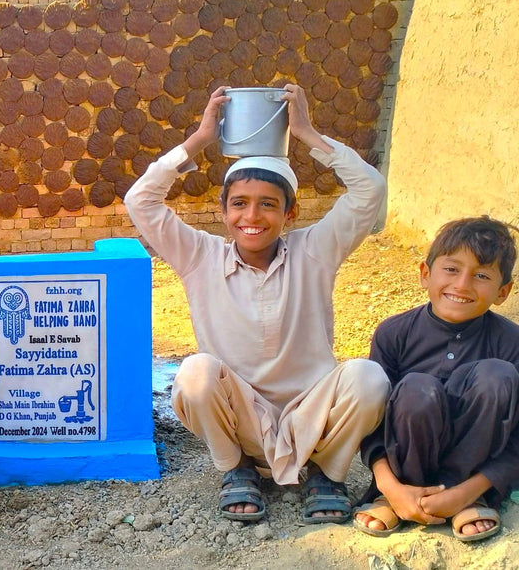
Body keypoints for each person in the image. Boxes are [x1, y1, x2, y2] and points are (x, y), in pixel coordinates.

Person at [124, 84, 389, 524]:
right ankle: (236, 469)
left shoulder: (315, 251)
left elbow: (370, 190)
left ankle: (327, 473)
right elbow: (141, 201)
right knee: (195, 373)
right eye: (239, 204)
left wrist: (306, 134)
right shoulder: (199, 256)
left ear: (290, 213)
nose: (252, 217)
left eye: (268, 205)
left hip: (314, 414)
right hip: (241, 418)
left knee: (370, 378)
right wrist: (201, 139)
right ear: (223, 211)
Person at [355, 216, 519, 542]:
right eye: (451, 269)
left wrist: (466, 491)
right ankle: (396, 498)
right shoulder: (394, 333)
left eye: (482, 275)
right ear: (424, 274)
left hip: (474, 476)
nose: (462, 284)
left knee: (497, 375)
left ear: (503, 291)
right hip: (401, 476)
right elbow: (371, 423)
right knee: (418, 388)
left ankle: (468, 499)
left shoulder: (511, 342)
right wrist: (391, 486)